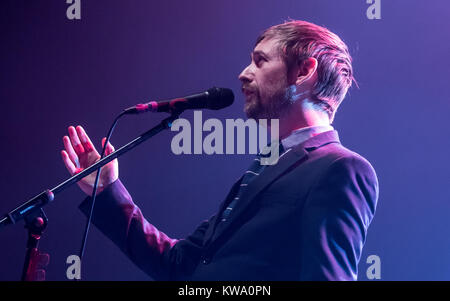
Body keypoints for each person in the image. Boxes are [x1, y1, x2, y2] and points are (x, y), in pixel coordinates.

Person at [61, 20, 379, 280]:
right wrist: (108, 192)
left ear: (304, 71)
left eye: (260, 60)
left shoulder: (341, 169)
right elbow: (179, 264)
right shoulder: (267, 167)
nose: (243, 73)